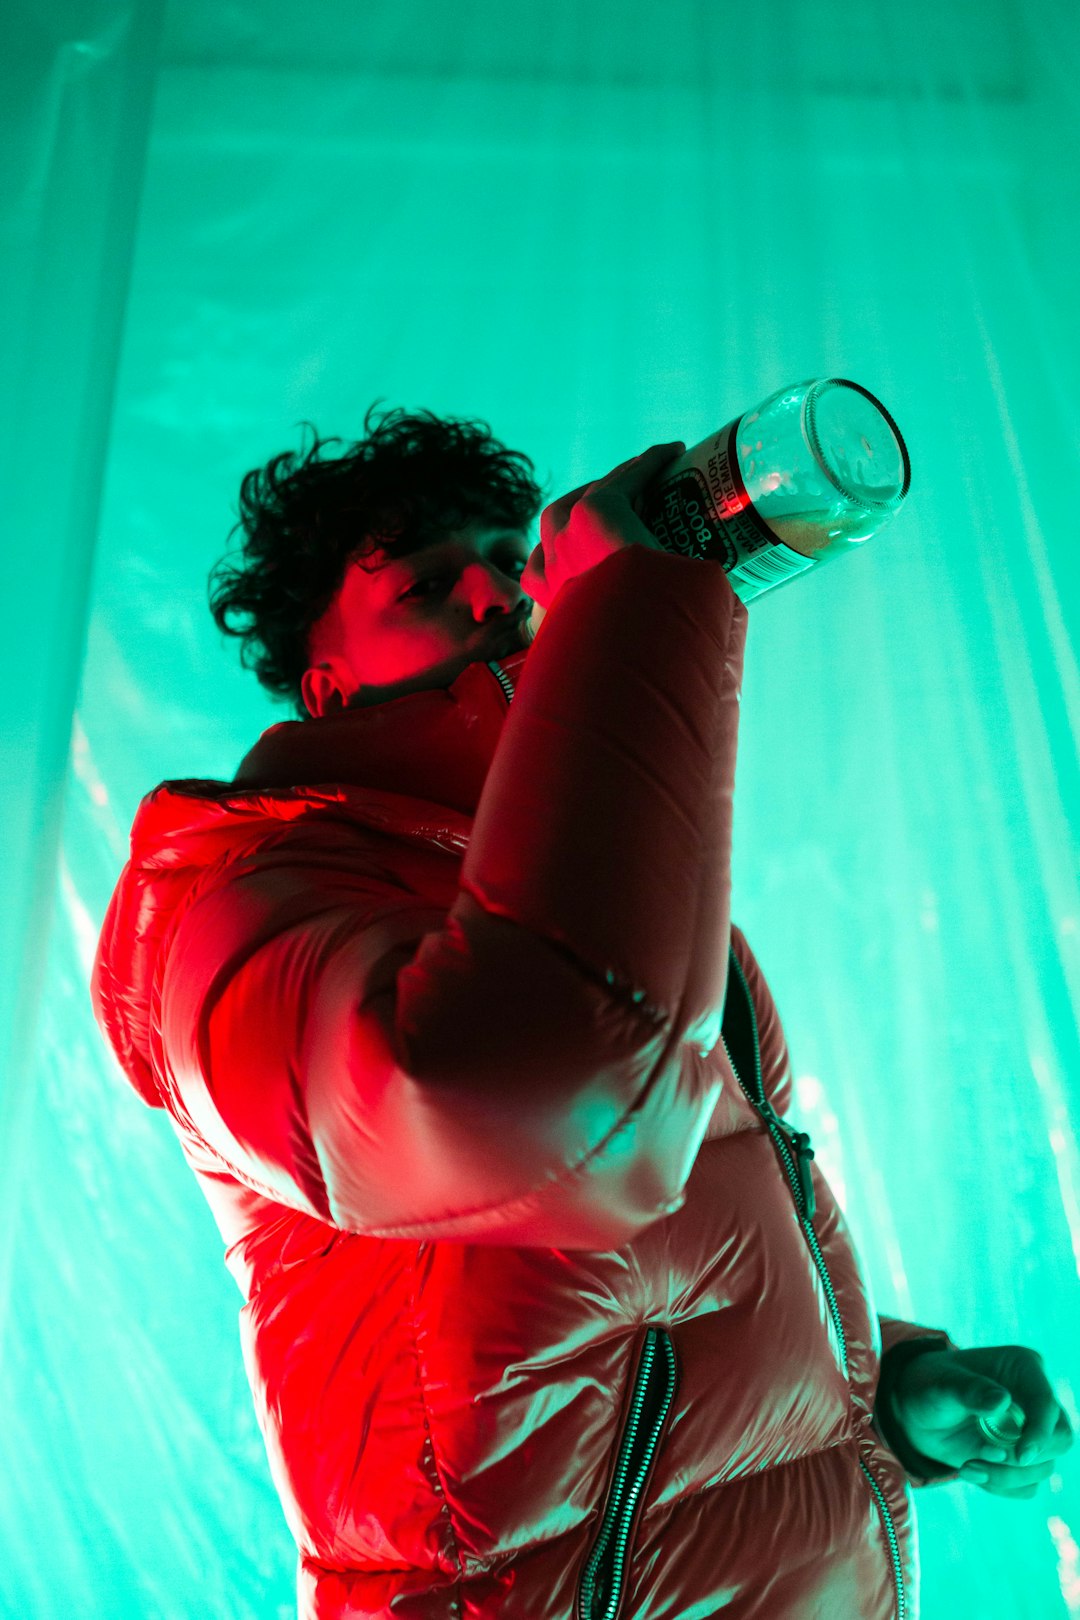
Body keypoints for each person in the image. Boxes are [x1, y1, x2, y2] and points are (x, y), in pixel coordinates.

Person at [91, 404, 1070, 1620]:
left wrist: (889, 1386)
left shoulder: (591, 875)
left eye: (513, 557)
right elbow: (554, 1124)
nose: (498, 592)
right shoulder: (228, 908)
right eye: (428, 582)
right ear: (326, 683)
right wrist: (640, 613)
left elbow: (664, 1288)